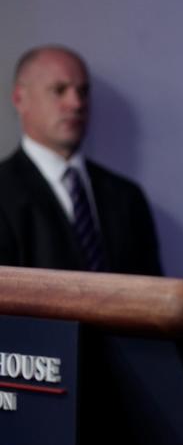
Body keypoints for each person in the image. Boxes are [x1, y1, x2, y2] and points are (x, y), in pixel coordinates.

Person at [0, 46, 162, 274]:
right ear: (20, 98)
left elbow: (154, 296)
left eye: (83, 91)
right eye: (59, 90)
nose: (76, 103)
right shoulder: (4, 190)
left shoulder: (127, 197)